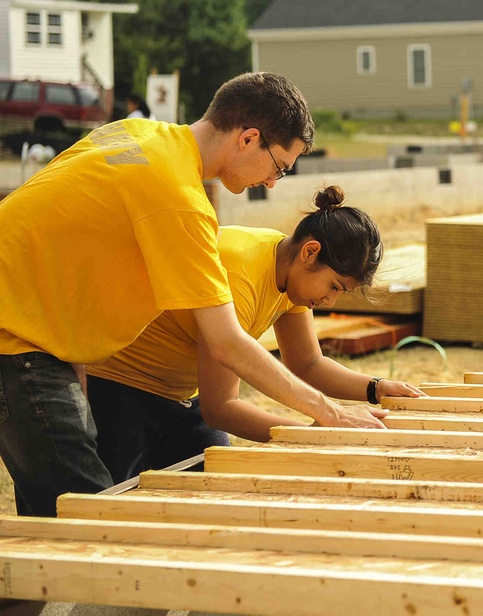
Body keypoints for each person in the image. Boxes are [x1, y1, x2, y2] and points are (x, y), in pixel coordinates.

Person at [0, 71, 384, 518]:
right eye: (278, 166)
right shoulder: (178, 198)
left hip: (34, 333)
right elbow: (226, 342)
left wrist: (76, 364)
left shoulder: (136, 134)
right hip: (18, 340)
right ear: (249, 138)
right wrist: (329, 415)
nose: (274, 182)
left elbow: (63, 249)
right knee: (89, 523)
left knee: (47, 529)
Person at [87, 186, 425, 483]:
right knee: (107, 504)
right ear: (310, 252)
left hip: (181, 396)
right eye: (333, 286)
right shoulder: (240, 271)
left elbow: (307, 363)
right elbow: (222, 408)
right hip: (119, 388)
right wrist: (311, 433)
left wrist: (374, 388)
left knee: (216, 491)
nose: (329, 301)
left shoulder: (289, 273)